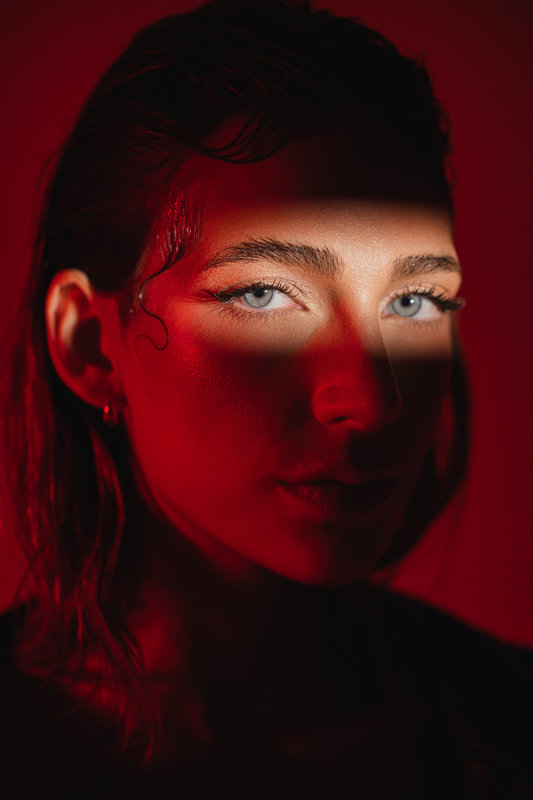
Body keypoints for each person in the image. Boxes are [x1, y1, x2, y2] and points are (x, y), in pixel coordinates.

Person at [1, 0, 531, 797]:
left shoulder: (507, 726)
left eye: (414, 300)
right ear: (88, 343)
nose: (373, 400)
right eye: (262, 295)